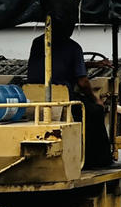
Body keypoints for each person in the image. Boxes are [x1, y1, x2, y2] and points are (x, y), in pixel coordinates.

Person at [27, 17, 114, 168]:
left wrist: (93, 64)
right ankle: (98, 160)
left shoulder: (37, 42)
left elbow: (56, 62)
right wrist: (95, 99)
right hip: (62, 98)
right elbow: (82, 82)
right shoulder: (73, 47)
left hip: (34, 96)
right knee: (95, 112)